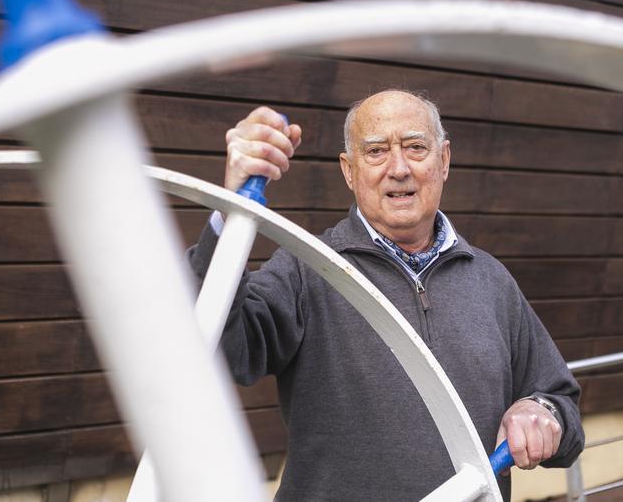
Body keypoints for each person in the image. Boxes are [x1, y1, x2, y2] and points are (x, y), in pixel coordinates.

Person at [187, 90, 584, 501]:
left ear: (443, 160)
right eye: (376, 151)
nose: (398, 168)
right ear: (349, 171)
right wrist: (230, 208)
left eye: (415, 147)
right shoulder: (307, 268)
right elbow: (218, 343)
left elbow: (563, 406)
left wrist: (543, 412)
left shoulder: (492, 281)